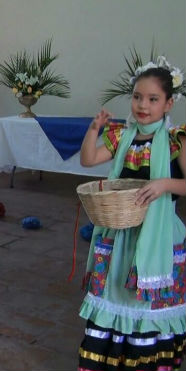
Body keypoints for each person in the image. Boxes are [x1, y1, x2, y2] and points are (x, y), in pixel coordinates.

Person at [79, 56, 186, 370]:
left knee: (144, 302)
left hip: (158, 237)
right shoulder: (121, 137)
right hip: (119, 233)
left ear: (168, 104)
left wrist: (165, 183)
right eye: (138, 97)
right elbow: (88, 160)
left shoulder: (175, 140)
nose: (143, 105)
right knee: (117, 296)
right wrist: (94, 128)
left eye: (153, 99)